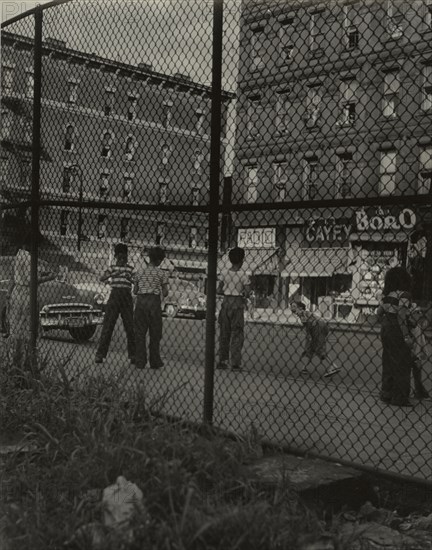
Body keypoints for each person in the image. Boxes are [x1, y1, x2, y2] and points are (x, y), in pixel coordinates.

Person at [6, 233, 55, 368]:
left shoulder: (18, 256)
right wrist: (49, 278)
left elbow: (12, 277)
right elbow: (32, 280)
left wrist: (8, 295)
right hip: (28, 294)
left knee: (17, 329)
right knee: (29, 328)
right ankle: (28, 361)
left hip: (17, 292)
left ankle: (15, 361)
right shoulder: (30, 258)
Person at [376, 267, 415, 407]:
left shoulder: (387, 295)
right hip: (398, 328)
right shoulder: (405, 295)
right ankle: (400, 397)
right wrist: (406, 336)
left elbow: (378, 313)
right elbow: (401, 315)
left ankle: (386, 393)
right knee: (402, 363)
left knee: (388, 359)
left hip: (386, 326)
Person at [95, 243, 135, 365]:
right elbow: (102, 278)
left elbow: (135, 281)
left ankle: (133, 355)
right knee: (108, 326)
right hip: (115, 295)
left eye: (125, 256)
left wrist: (130, 279)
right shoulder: (112, 268)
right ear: (117, 256)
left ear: (127, 256)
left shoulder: (130, 269)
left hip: (126, 297)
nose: (123, 259)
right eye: (121, 256)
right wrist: (112, 275)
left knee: (130, 327)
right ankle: (100, 354)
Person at [133, 246, 169, 370]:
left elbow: (135, 290)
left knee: (139, 332)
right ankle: (154, 360)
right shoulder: (161, 273)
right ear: (159, 260)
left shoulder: (140, 271)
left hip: (141, 301)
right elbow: (165, 292)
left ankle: (140, 360)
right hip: (153, 302)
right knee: (155, 332)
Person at [217, 246, 250, 371]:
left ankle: (222, 360)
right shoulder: (243, 275)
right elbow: (247, 292)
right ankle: (235, 362)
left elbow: (219, 289)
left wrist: (227, 289)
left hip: (226, 304)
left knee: (224, 333)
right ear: (241, 260)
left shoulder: (224, 274)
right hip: (237, 305)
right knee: (237, 334)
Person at [290, 301, 341, 378]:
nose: (291, 308)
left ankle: (333, 366)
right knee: (311, 348)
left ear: (299, 308)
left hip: (317, 328)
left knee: (319, 349)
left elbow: (310, 324)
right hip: (319, 327)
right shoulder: (302, 314)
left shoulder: (302, 313)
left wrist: (310, 336)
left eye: (293, 306)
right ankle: (305, 367)